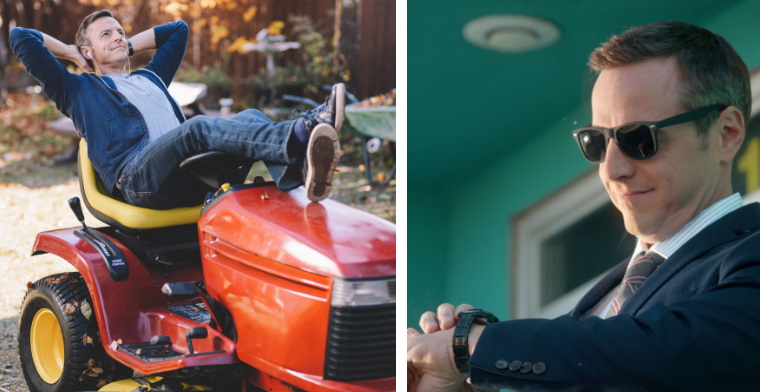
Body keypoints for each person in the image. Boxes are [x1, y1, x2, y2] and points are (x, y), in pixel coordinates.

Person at [407, 20, 760, 391]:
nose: (611, 168)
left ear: (727, 134)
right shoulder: (599, 306)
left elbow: (664, 351)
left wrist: (471, 345)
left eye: (640, 138)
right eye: (596, 141)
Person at [10, 9, 344, 209]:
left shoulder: (150, 77)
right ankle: (303, 129)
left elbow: (177, 30)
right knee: (197, 126)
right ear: (87, 49)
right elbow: (22, 37)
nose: (118, 37)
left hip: (188, 171)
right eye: (106, 34)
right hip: (140, 180)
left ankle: (299, 174)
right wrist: (72, 53)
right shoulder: (77, 90)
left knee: (251, 117)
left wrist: (124, 45)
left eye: (121, 32)